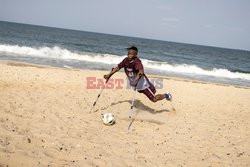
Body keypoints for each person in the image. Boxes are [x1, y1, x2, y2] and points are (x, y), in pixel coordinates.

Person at [104, 46, 172, 102]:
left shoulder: (137, 62)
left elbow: (141, 72)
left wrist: (135, 81)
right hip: (135, 84)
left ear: (135, 55)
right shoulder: (125, 60)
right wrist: (109, 74)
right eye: (128, 53)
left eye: (131, 54)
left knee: (154, 99)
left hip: (143, 83)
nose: (129, 55)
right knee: (141, 92)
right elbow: (118, 67)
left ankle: (166, 95)